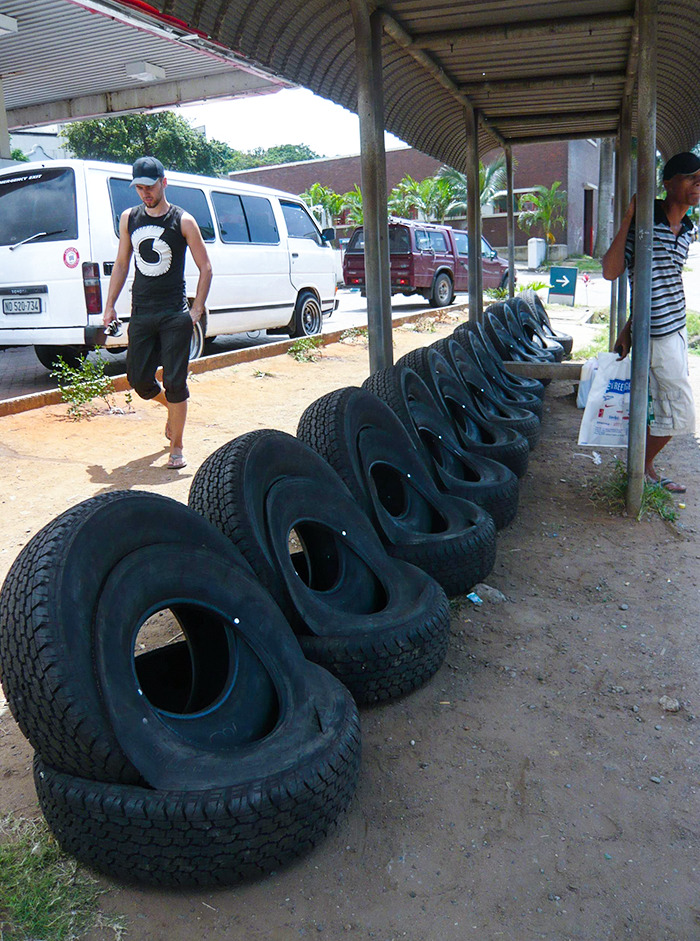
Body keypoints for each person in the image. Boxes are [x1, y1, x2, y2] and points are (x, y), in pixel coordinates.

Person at [103, 156, 212, 469]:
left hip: (174, 314)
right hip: (142, 313)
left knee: (176, 383)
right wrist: (110, 305)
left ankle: (176, 445)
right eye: (139, 187)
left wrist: (196, 309)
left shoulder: (183, 221)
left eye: (149, 186)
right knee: (139, 380)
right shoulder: (130, 218)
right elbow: (122, 263)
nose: (144, 193)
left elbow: (205, 267)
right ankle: (171, 409)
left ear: (164, 183)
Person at [602, 151, 700, 493]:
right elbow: (612, 271)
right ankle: (639, 467)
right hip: (655, 334)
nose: (698, 183)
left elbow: (657, 282)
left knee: (663, 407)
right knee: (681, 412)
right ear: (668, 183)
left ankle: (643, 469)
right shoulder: (646, 221)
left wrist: (627, 329)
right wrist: (630, 217)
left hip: (675, 329)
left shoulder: (688, 230)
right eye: (691, 176)